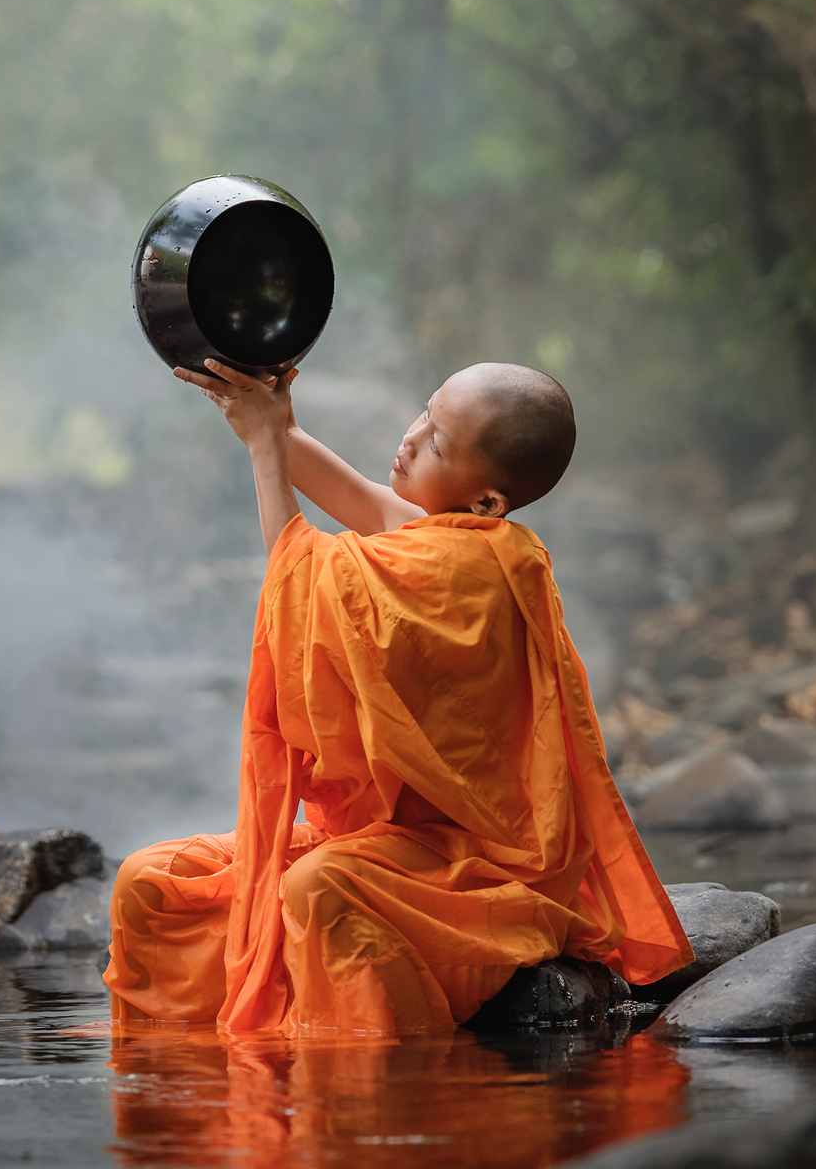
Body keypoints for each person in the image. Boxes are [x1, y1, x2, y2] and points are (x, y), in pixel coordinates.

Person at [102, 358, 692, 1036]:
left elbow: (299, 585)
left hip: (474, 863)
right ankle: (180, 1073)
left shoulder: (478, 570)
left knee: (318, 887)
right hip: (382, 840)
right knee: (152, 881)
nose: (411, 439)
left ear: (488, 503)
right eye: (425, 412)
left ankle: (361, 1079)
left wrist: (269, 446)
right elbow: (341, 494)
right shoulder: (440, 534)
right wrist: (263, 413)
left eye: (438, 442)